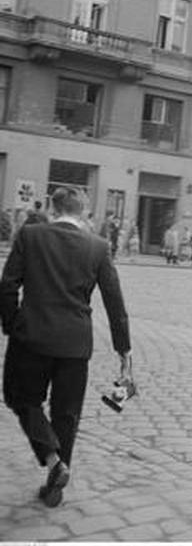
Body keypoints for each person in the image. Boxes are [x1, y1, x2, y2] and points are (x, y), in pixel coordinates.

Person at [0, 187, 131, 508]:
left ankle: (51, 456)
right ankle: (55, 486)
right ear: (84, 211)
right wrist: (123, 349)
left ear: (53, 207)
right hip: (75, 343)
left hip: (31, 338)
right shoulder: (98, 247)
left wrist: (12, 324)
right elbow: (115, 302)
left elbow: (7, 285)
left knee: (21, 398)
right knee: (67, 414)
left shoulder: (30, 236)